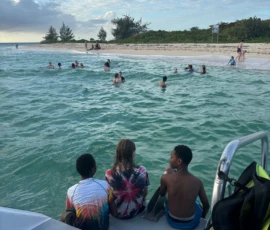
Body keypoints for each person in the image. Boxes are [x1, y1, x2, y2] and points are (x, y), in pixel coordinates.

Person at [160, 145, 210, 229]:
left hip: (171, 219)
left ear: (179, 161)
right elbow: (206, 205)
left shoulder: (166, 178)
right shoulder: (197, 182)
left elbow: (161, 194)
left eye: (171, 157)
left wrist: (168, 174)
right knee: (197, 202)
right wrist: (203, 216)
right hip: (190, 223)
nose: (169, 159)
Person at [63, 153, 117, 230]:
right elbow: (114, 213)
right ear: (93, 170)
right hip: (103, 228)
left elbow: (70, 213)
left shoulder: (71, 191)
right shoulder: (105, 185)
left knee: (66, 214)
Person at [105, 139, 150, 219]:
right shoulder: (142, 170)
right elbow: (145, 193)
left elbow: (110, 197)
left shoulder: (109, 174)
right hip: (138, 210)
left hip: (119, 215)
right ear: (132, 153)